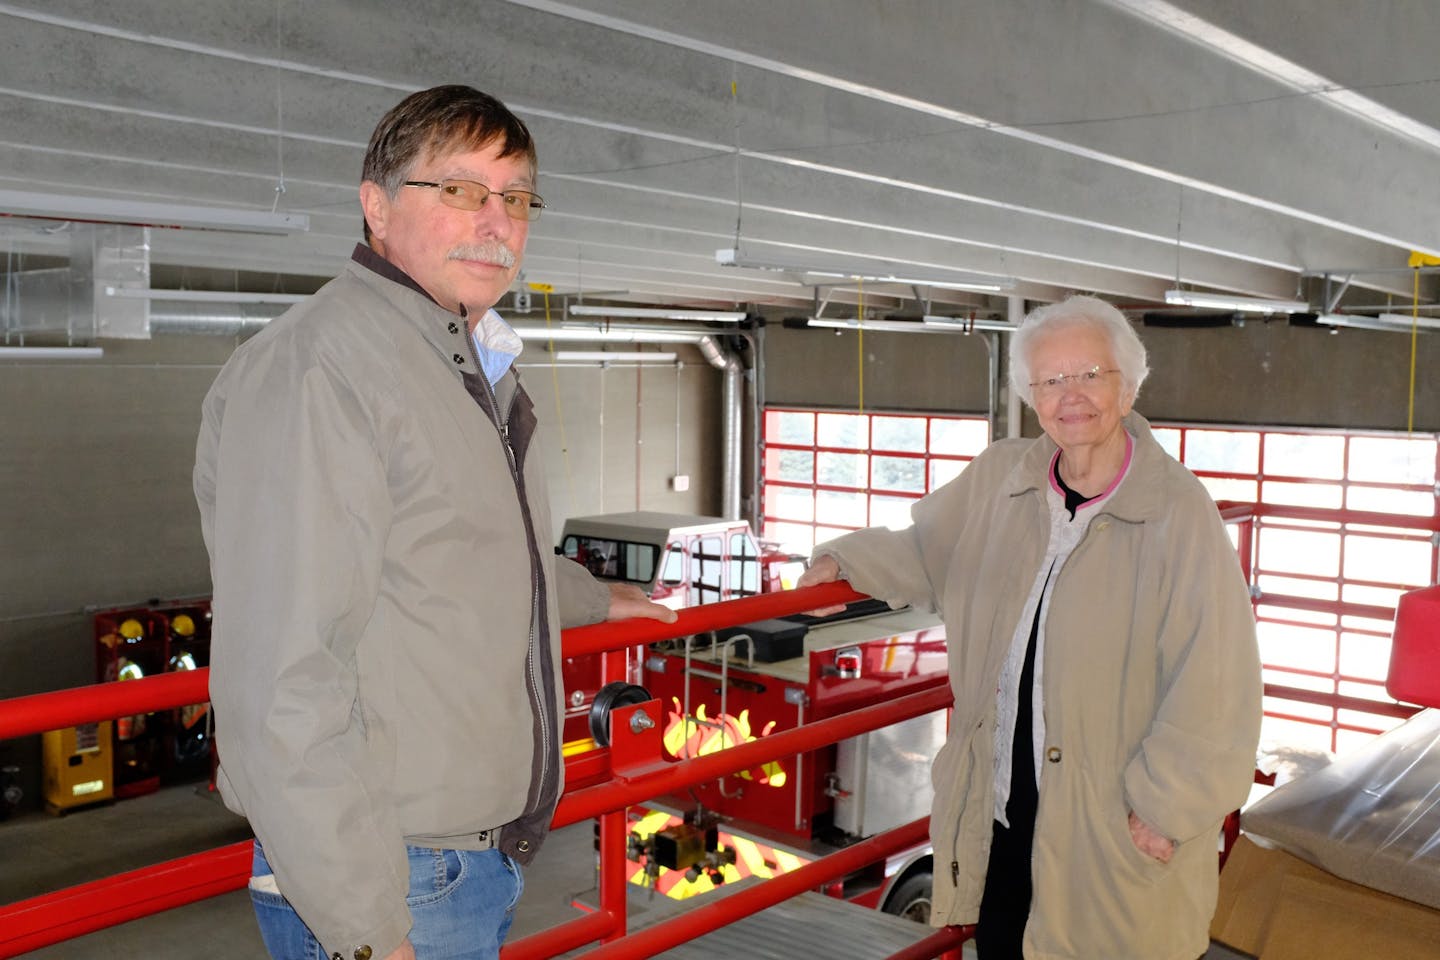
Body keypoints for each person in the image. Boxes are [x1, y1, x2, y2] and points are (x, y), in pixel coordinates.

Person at [193, 85, 676, 960]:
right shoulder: (323, 370)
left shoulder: (464, 360)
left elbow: (461, 552)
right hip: (388, 872)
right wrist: (366, 929)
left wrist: (595, 603)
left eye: (516, 197)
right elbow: (282, 683)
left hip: (463, 860)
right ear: (375, 205)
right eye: (458, 190)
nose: (497, 221)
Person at [797, 295, 1261, 960]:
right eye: (1051, 380)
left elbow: (1216, 681)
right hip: (1004, 813)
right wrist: (843, 563)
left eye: (1090, 375)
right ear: (1030, 395)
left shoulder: (1178, 513)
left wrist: (1165, 808)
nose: (1070, 396)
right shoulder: (1001, 480)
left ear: (1128, 385)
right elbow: (927, 548)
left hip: (1108, 827)